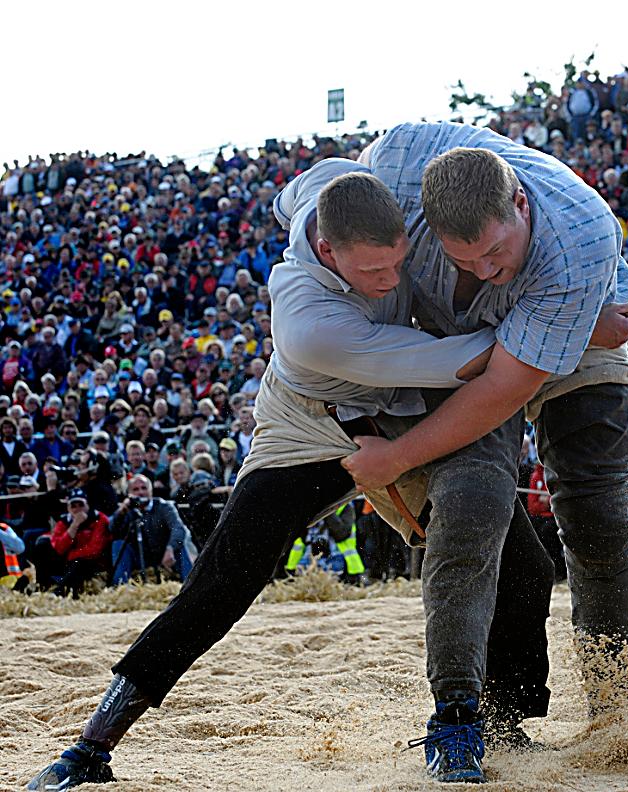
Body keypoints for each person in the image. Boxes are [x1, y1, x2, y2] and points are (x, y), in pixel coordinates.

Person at [28, 160, 580, 790]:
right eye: (373, 271)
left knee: (525, 566)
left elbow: (299, 192)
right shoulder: (310, 324)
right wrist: (576, 324)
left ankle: (501, 723)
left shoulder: (331, 186)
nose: (393, 279)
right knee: (228, 574)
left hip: (397, 412)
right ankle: (93, 744)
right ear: (325, 251)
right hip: (307, 424)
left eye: (399, 261)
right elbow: (466, 360)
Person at [348, 123, 628, 774]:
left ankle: (615, 713)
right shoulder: (388, 171)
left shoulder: (581, 235)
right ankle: (491, 721)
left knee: (592, 513)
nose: (484, 270)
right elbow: (322, 221)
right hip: (465, 342)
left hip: (584, 331)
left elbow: (508, 387)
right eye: (464, 260)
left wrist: (395, 459)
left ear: (520, 204)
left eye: (495, 255)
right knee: (474, 513)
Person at [108, 475, 193, 585]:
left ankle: (191, 585)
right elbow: (112, 529)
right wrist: (121, 512)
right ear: (129, 494)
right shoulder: (127, 510)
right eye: (136, 489)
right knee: (118, 544)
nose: (141, 492)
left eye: (144, 488)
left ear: (151, 491)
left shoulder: (164, 506)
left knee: (180, 546)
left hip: (163, 554)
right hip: (139, 555)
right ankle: (120, 586)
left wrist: (171, 547)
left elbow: (178, 528)